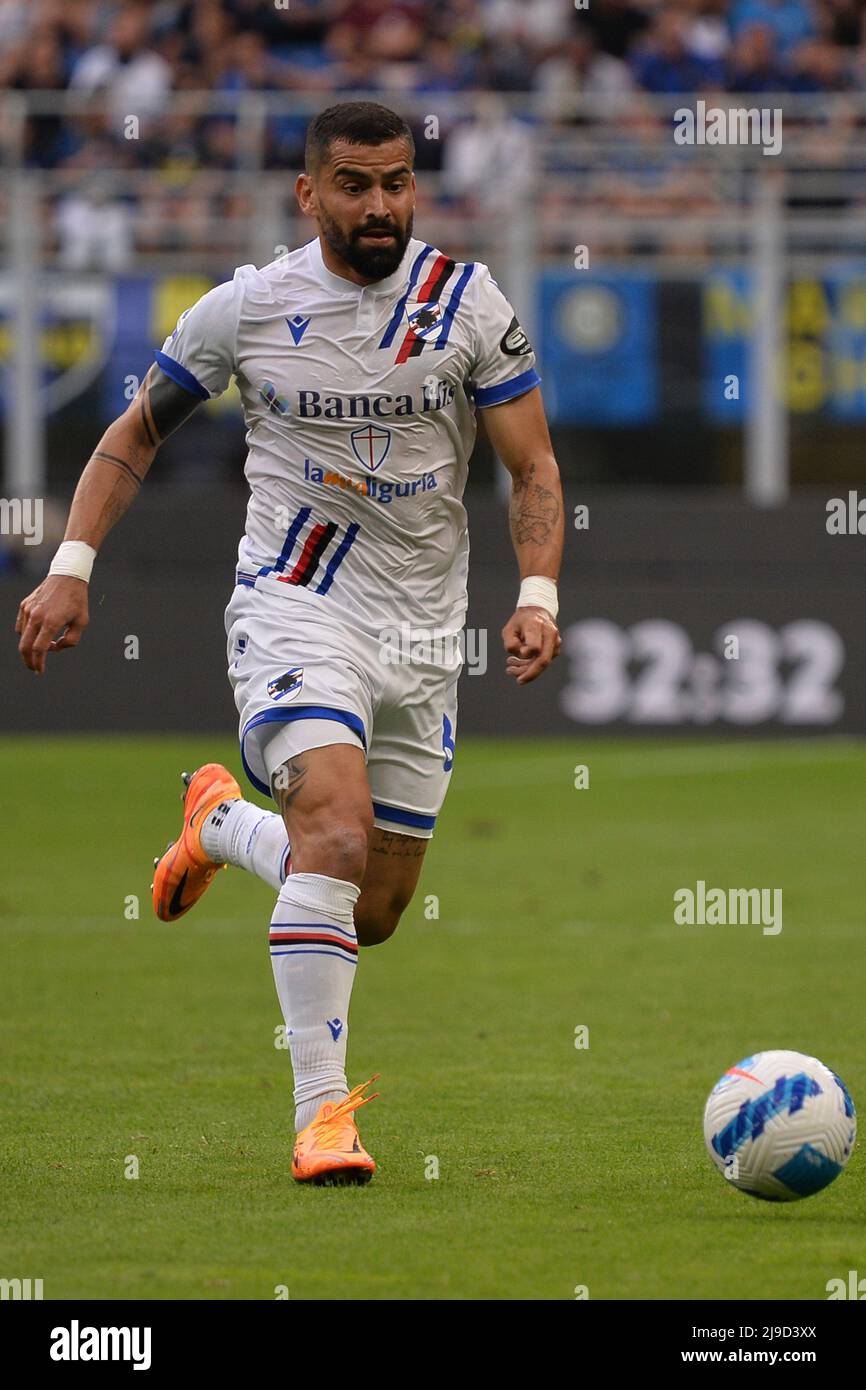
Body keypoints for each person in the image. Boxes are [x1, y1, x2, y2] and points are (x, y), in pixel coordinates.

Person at [16, 101, 564, 1186]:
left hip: (420, 633)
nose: (379, 206)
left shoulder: (467, 303)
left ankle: (220, 824)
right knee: (334, 830)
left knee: (373, 908)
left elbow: (533, 466)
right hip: (294, 606)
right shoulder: (247, 308)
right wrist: (71, 567)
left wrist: (537, 589)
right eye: (354, 186)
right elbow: (131, 437)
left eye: (397, 183)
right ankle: (322, 1120)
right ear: (307, 192)